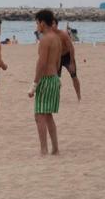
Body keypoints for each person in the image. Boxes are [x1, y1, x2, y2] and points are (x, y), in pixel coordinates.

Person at [28, 9, 63, 155]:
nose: (36, 26)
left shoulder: (45, 39)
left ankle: (44, 150)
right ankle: (55, 148)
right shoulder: (56, 38)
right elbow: (58, 61)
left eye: (37, 23)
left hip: (47, 79)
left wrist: (34, 84)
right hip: (54, 78)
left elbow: (41, 63)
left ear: (42, 23)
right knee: (48, 115)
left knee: (39, 116)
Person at [53, 18, 81, 101]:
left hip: (67, 56)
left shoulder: (63, 34)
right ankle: (56, 97)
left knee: (74, 76)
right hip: (57, 57)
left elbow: (71, 48)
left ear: (57, 25)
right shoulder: (50, 35)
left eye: (53, 24)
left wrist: (72, 62)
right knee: (55, 78)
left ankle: (79, 97)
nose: (52, 25)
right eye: (50, 24)